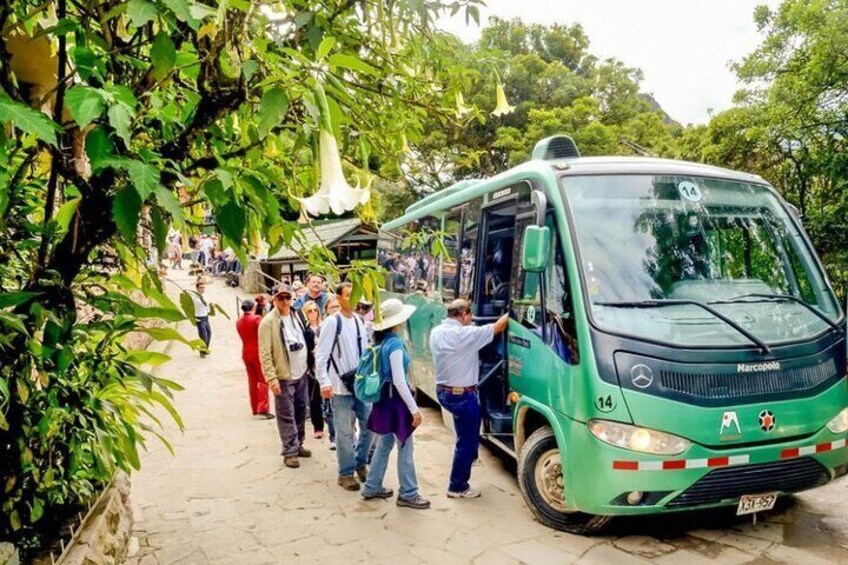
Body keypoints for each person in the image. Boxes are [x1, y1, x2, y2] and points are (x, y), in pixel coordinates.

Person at [429, 299, 508, 498]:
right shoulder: (465, 335)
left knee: (464, 433)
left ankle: (468, 458)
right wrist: (514, 309)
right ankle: (458, 486)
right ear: (464, 314)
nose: (471, 319)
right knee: (467, 441)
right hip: (462, 396)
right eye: (470, 315)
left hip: (444, 391)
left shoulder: (436, 332)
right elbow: (499, 326)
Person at [361, 299, 430, 509]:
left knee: (384, 444)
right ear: (397, 322)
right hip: (396, 403)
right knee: (405, 446)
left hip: (383, 400)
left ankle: (372, 486)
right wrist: (414, 410)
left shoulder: (380, 343)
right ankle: (409, 492)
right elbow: (400, 381)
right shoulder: (396, 345)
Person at [315, 282, 370, 491]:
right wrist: (324, 381)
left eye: (354, 295)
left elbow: (364, 352)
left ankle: (360, 461)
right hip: (339, 386)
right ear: (338, 298)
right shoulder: (332, 322)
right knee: (344, 431)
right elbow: (321, 354)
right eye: (348, 296)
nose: (352, 299)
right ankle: (346, 472)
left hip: (360, 384)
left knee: (370, 425)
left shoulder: (358, 321)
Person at [258, 284, 314, 468]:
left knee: (300, 410)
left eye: (287, 297)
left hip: (301, 371)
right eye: (280, 298)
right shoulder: (268, 322)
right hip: (283, 374)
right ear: (274, 299)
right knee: (286, 414)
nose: (285, 301)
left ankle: (299, 444)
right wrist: (271, 378)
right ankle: (289, 450)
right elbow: (265, 352)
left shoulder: (298, 314)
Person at [236, 299, 272, 419]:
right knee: (263, 379)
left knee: (252, 381)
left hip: (246, 351)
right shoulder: (256, 319)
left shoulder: (239, 322)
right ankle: (263, 407)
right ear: (253, 307)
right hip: (257, 352)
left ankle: (254, 407)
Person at [302, 301, 331, 442]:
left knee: (330, 398)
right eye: (310, 311)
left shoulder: (325, 326)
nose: (313, 313)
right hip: (311, 368)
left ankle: (331, 425)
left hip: (327, 366)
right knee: (314, 399)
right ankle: (318, 427)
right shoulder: (304, 329)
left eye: (315, 310)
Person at [191, 279, 212, 357]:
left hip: (206, 317)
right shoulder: (195, 297)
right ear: (197, 288)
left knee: (209, 333)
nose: (202, 289)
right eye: (201, 287)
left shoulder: (204, 296)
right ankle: (202, 352)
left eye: (203, 287)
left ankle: (205, 349)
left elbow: (207, 306)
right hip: (199, 317)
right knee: (203, 336)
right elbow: (203, 303)